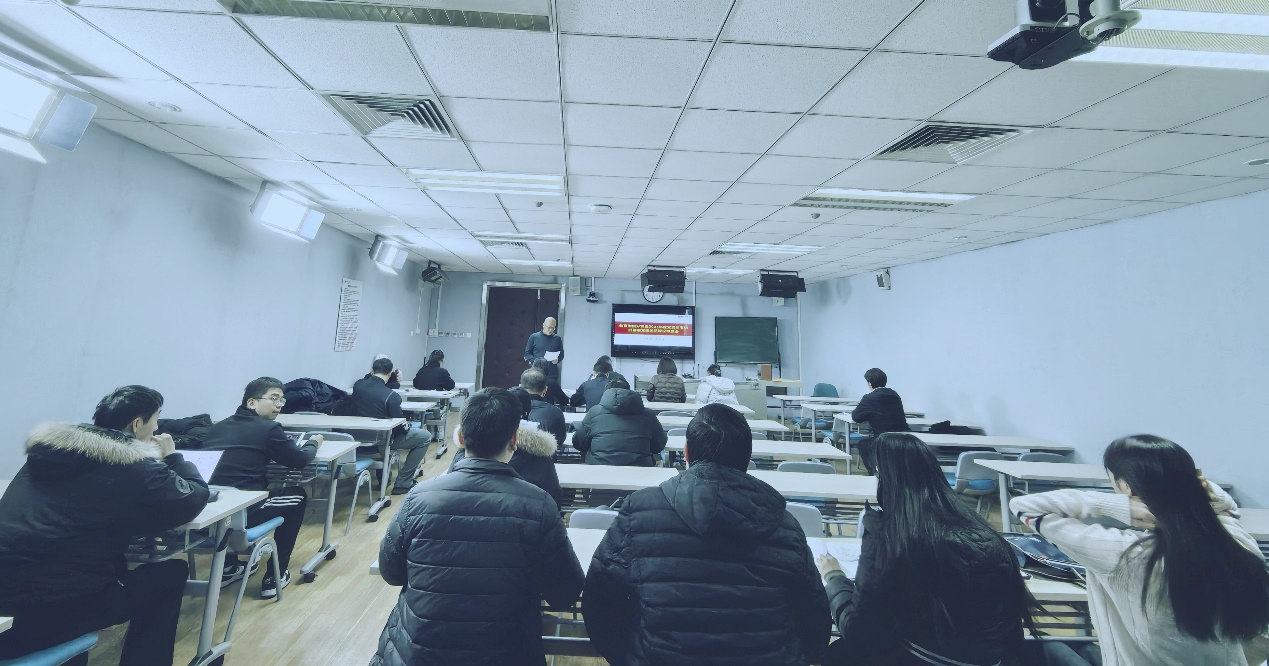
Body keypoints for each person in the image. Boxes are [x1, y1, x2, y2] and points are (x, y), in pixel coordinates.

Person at [584, 404, 830, 665]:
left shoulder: (638, 510)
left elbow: (600, 602)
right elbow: (815, 627)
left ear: (686, 453)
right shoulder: (786, 525)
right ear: (747, 459)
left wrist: (631, 656)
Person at [1010, 435, 1269, 666]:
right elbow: (1227, 507)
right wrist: (1196, 491)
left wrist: (1111, 504)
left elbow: (1023, 506)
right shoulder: (1236, 541)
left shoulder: (1123, 553)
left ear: (1127, 488)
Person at [371, 388, 584, 665]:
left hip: (418, 654)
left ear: (460, 438)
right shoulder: (539, 504)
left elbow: (391, 572)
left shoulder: (418, 497)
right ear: (515, 440)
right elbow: (564, 592)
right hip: (506, 654)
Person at [0, 386, 210, 664]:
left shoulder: (48, 453)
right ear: (137, 424)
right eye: (156, 419)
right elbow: (191, 498)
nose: (157, 427)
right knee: (170, 574)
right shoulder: (134, 463)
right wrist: (173, 457)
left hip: (7, 595)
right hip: (56, 606)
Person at [816, 432, 1034, 666]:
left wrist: (834, 577)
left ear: (883, 478)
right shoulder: (984, 532)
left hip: (931, 658)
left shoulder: (892, 536)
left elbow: (861, 633)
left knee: (838, 654)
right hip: (994, 659)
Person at [204, 377, 320, 598]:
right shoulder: (268, 428)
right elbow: (299, 460)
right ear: (252, 402)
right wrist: (314, 443)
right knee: (297, 496)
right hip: (243, 513)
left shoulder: (217, 427)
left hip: (212, 511)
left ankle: (229, 567)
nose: (279, 405)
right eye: (273, 398)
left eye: (281, 400)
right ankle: (275, 574)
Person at [348, 356, 433, 495]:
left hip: (357, 439)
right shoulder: (392, 396)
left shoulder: (358, 386)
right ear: (389, 374)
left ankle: (385, 479)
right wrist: (408, 425)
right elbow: (400, 427)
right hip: (381, 440)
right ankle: (403, 482)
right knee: (425, 436)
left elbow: (368, 381)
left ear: (372, 371)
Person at [446, 422, 563, 510]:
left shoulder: (462, 453)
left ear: (460, 437)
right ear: (514, 438)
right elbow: (554, 502)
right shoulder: (541, 457)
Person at [571, 378, 667, 467]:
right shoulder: (648, 415)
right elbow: (658, 446)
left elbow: (580, 444)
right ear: (629, 392)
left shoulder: (594, 412)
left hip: (600, 468)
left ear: (606, 392)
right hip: (639, 469)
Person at [851, 368, 910, 475]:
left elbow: (856, 417)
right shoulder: (894, 395)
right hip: (904, 438)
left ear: (870, 383)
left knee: (863, 444)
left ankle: (877, 474)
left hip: (885, 440)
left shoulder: (869, 398)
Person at [519, 368, 566, 446]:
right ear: (545, 390)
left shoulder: (508, 408)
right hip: (546, 453)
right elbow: (559, 441)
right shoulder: (556, 412)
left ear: (520, 387)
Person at [523, 316, 563, 385]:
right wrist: (537, 361)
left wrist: (557, 360)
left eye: (553, 328)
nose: (550, 330)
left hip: (552, 373)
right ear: (543, 325)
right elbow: (527, 353)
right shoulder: (534, 337)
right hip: (536, 372)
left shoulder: (557, 338)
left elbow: (561, 354)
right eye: (549, 327)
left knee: (551, 390)